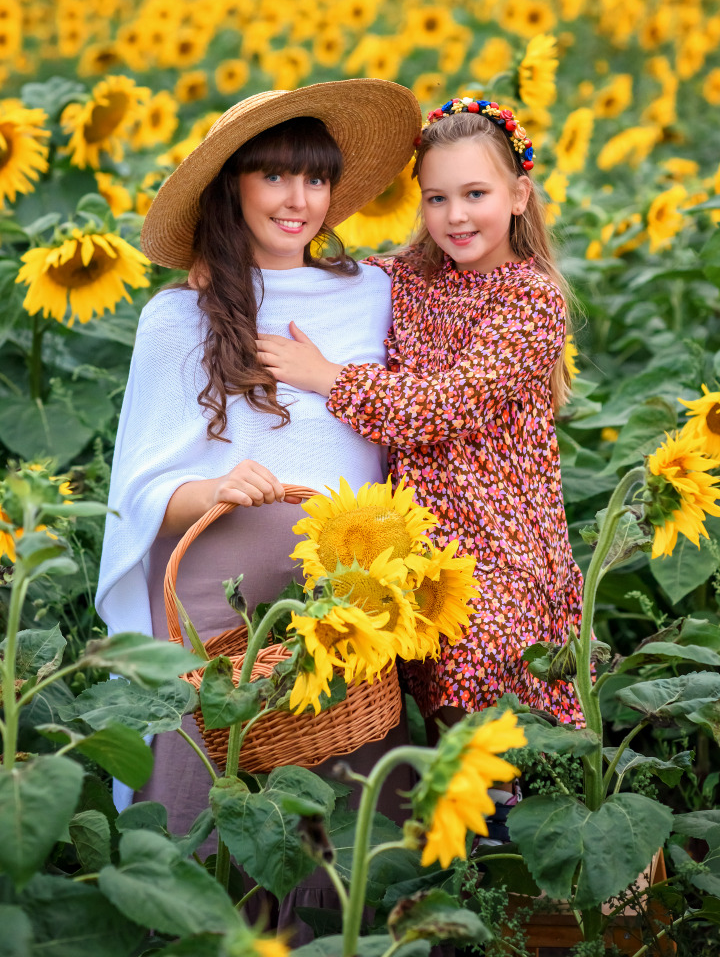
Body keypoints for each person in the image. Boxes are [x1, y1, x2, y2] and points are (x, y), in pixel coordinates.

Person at [94, 80, 421, 927]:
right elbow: (138, 485)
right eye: (274, 177)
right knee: (215, 797)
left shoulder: (373, 294)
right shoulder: (178, 317)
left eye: (314, 180)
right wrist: (216, 485)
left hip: (341, 596)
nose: (298, 200)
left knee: (343, 804)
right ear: (231, 187)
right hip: (216, 599)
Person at [257, 96, 586, 836]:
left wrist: (326, 377)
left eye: (475, 194)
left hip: (501, 550)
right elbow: (321, 279)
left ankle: (506, 867)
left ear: (519, 195)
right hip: (415, 549)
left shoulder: (531, 301)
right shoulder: (405, 277)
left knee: (488, 718)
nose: (455, 216)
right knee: (409, 717)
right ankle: (447, 876)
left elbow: (445, 404)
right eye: (436, 197)